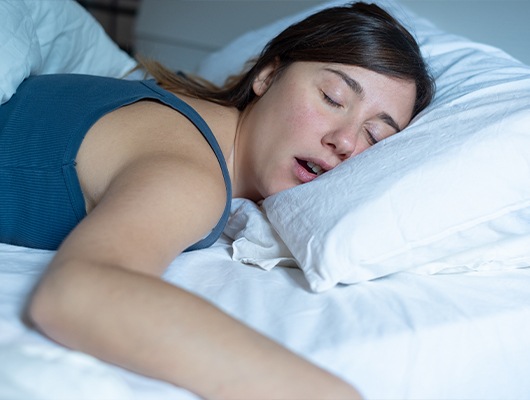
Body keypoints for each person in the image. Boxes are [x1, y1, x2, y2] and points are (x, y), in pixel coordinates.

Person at [1, 2, 434, 399]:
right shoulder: (191, 173)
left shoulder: (183, 104)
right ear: (267, 74)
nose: (343, 141)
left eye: (375, 136)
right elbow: (76, 294)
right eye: (332, 98)